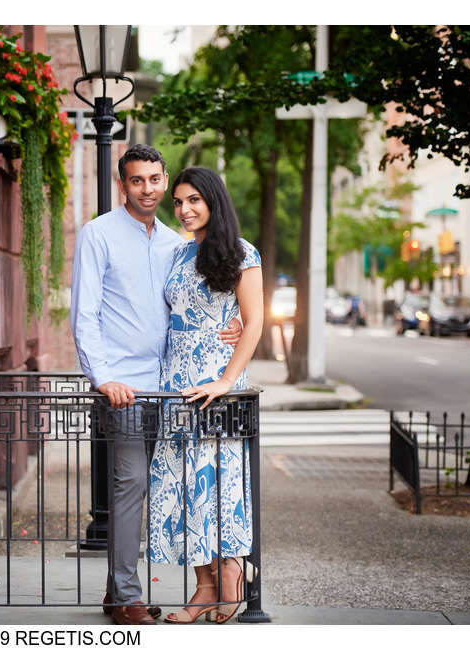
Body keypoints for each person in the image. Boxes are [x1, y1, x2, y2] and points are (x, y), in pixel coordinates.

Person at [70, 146, 240, 625]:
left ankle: (126, 593)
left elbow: (208, 299)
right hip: (122, 387)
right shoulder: (97, 234)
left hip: (173, 388)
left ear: (164, 181)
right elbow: (83, 314)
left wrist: (241, 326)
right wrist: (103, 378)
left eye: (154, 179)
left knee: (177, 483)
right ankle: (127, 597)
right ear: (122, 185)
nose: (147, 188)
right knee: (132, 483)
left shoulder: (177, 243)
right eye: (136, 180)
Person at [145, 166, 263, 624]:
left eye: (193, 200)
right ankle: (203, 588)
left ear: (213, 200)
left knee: (218, 485)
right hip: (175, 388)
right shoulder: (178, 254)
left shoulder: (241, 253)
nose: (184, 209)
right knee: (181, 487)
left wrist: (226, 379)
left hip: (216, 390)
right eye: (178, 202)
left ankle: (233, 573)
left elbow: (253, 322)